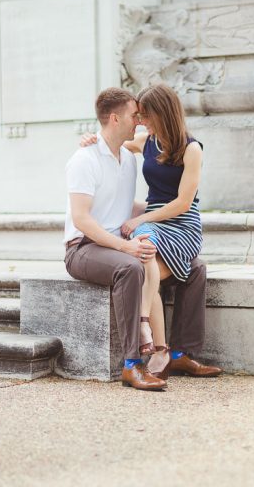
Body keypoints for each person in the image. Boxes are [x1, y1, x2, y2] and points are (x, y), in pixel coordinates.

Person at [81, 83, 222, 378]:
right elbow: (112, 142)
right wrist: (91, 139)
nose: (141, 122)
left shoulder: (191, 148)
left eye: (145, 116)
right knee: (148, 260)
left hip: (181, 224)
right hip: (153, 222)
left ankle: (153, 332)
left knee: (167, 260)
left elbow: (184, 203)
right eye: (139, 116)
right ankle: (166, 350)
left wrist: (142, 218)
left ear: (162, 112)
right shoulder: (147, 141)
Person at [64, 87, 166, 391]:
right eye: (134, 115)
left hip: (112, 245)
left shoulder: (127, 158)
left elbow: (124, 206)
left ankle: (179, 353)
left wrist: (162, 213)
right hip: (82, 248)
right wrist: (126, 246)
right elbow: (82, 218)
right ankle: (132, 365)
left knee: (189, 264)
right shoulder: (84, 159)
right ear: (114, 118)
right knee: (130, 267)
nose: (138, 120)